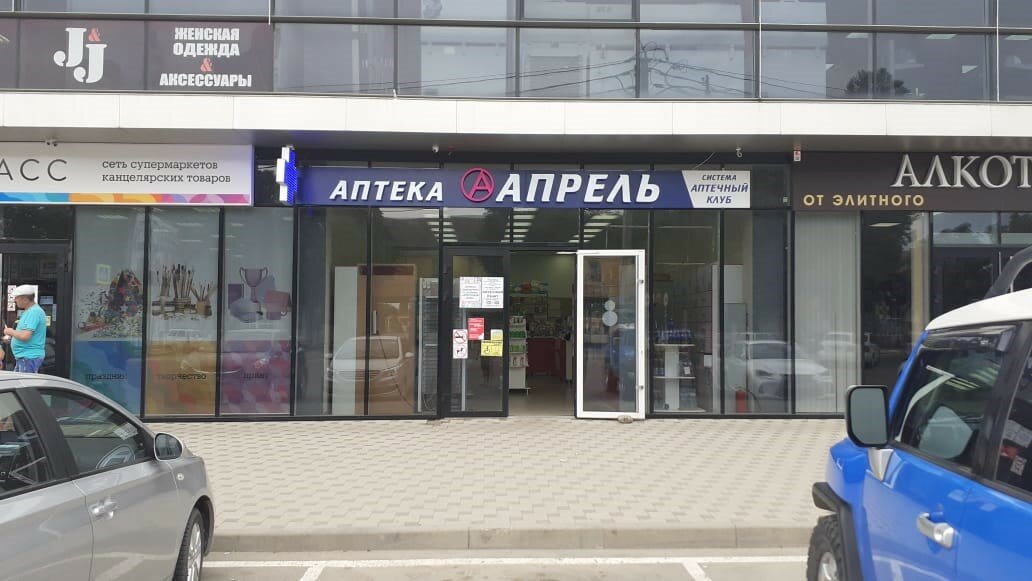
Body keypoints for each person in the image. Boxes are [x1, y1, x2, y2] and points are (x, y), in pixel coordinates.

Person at [3, 285, 47, 373]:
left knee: (25, 381)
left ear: (25, 299)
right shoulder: (29, 311)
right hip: (25, 358)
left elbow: (25, 336)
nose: (15, 300)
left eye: (17, 298)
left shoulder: (34, 312)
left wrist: (10, 331)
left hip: (29, 358)